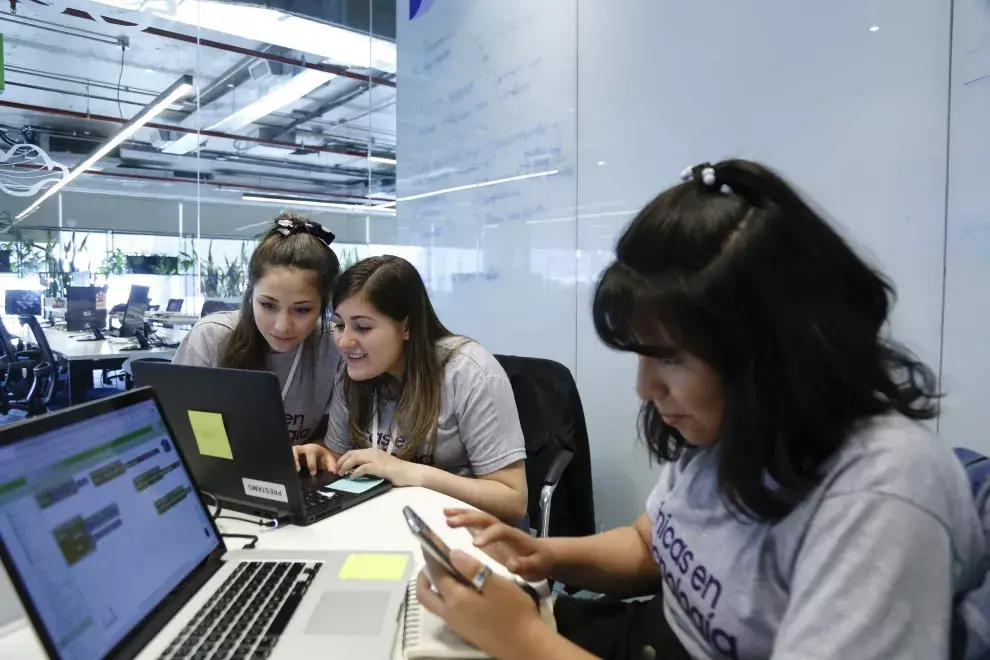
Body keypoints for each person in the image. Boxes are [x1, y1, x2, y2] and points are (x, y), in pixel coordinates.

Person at [413, 159, 986, 660]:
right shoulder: (733, 428)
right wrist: (543, 554)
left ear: (772, 349)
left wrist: (523, 640)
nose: (645, 388)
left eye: (670, 360)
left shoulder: (884, 494)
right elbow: (650, 544)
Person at [293, 255, 528, 522]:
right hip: (383, 521)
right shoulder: (352, 372)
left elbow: (513, 500)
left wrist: (413, 473)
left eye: (363, 327)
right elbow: (341, 457)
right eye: (339, 325)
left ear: (406, 326)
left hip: (463, 530)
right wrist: (321, 456)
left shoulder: (470, 373)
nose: (345, 341)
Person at [172, 211, 341, 454]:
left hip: (299, 481)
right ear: (250, 294)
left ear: (323, 306)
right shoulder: (212, 338)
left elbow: (336, 442)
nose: (282, 326)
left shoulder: (333, 347)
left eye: (302, 309)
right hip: (219, 474)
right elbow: (179, 430)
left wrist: (315, 451)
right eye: (268, 305)